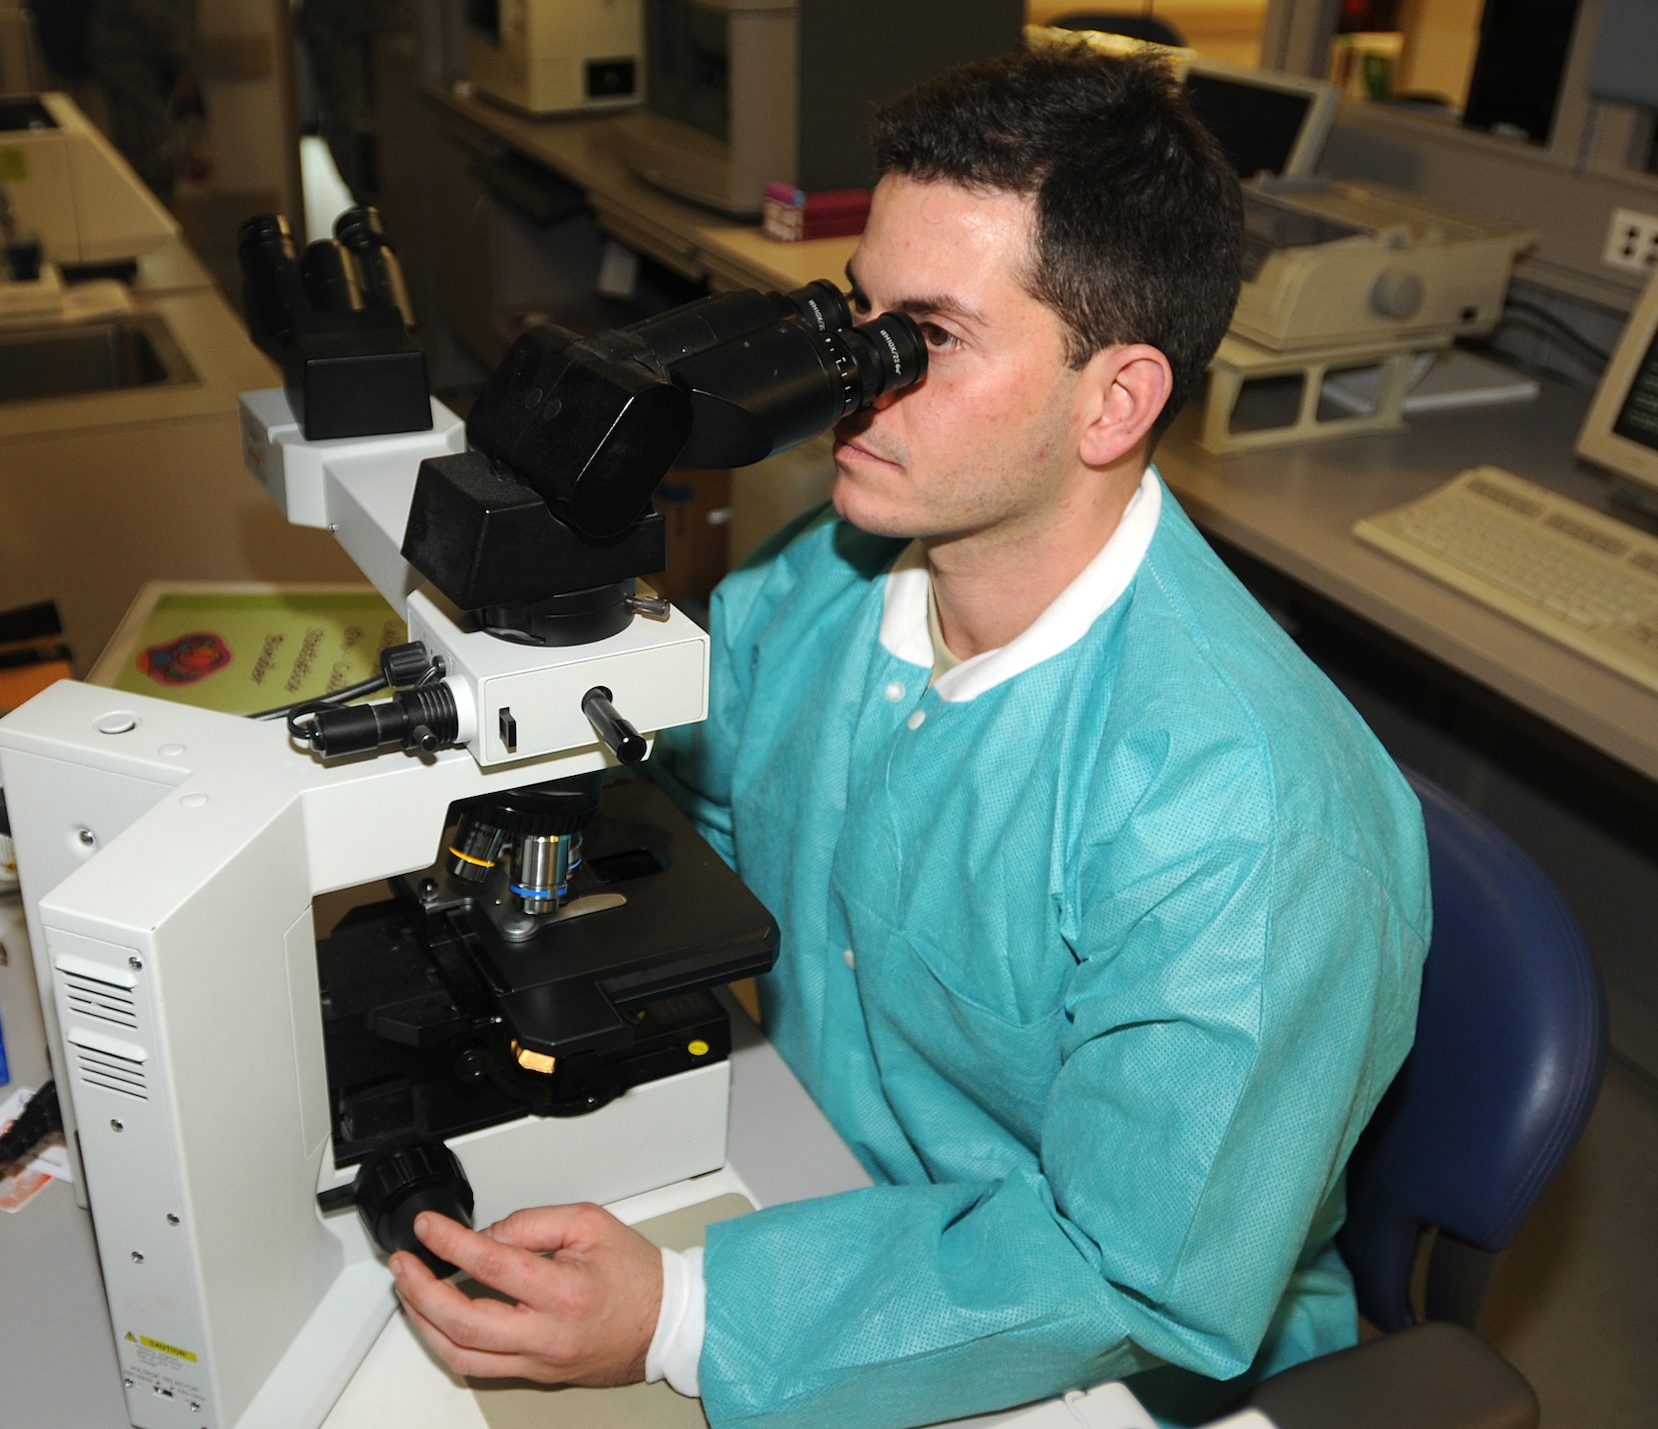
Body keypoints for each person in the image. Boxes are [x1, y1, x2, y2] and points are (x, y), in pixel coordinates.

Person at [388, 43, 1431, 1429]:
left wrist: (688, 1314)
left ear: (1114, 399)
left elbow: (1138, 1270)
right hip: (813, 1183)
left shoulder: (1245, 817)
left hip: (1104, 1352)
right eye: (855, 314)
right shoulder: (810, 591)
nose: (853, 382)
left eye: (926, 339)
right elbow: (691, 853)